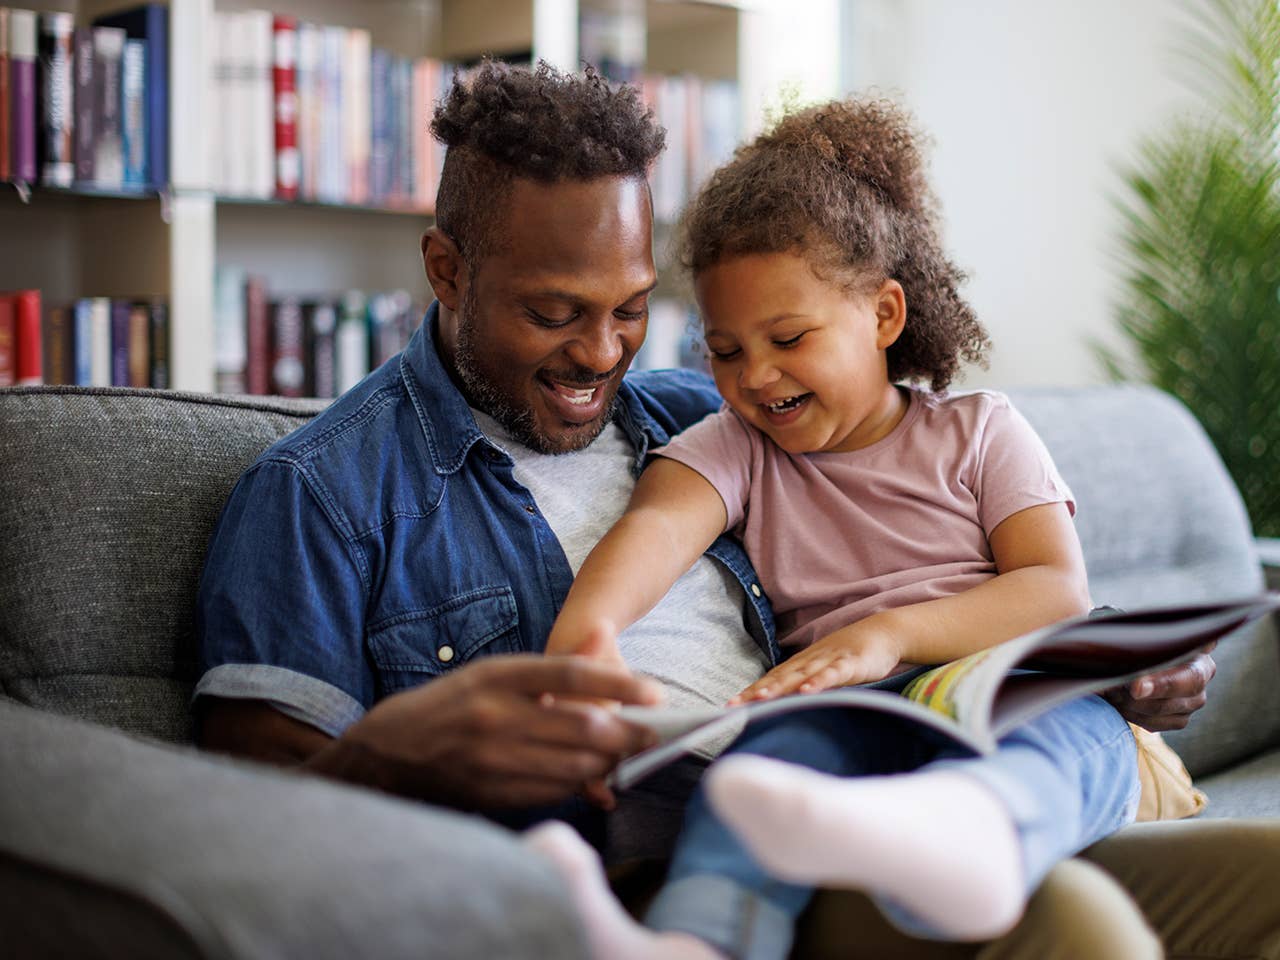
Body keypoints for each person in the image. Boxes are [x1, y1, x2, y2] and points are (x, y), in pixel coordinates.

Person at [193, 60, 1256, 959]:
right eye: (554, 313)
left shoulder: (704, 413)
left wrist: (1115, 657)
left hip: (889, 771)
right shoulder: (322, 495)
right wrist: (406, 750)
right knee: (1076, 924)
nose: (603, 353)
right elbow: (226, 819)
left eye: (629, 311)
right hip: (686, 843)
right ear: (445, 271)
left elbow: (969, 561)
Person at [534, 96, 1142, 959]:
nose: (756, 375)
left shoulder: (980, 431)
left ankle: (981, 836)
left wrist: (888, 635)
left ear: (884, 317)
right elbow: (659, 528)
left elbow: (1055, 588)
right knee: (752, 782)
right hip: (846, 715)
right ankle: (696, 942)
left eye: (789, 336)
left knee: (1081, 733)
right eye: (727, 349)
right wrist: (585, 635)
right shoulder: (737, 448)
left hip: (993, 695)